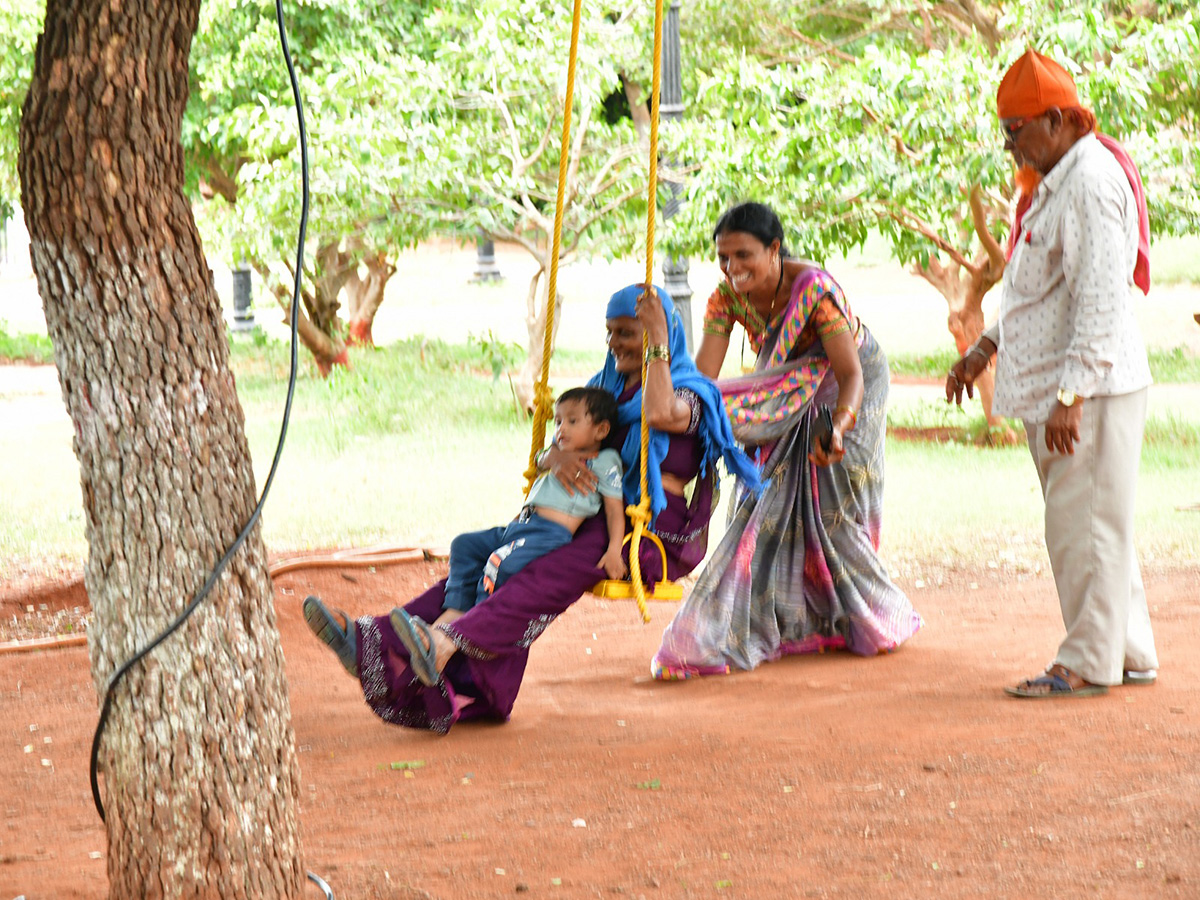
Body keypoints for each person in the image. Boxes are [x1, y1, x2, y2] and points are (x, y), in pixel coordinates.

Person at [302, 283, 758, 733]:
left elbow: (659, 414)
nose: (614, 344)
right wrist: (552, 457)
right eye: (610, 332)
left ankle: (443, 644)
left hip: (649, 532)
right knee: (491, 560)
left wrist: (657, 341)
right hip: (586, 515)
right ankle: (372, 642)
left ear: (660, 333)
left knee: (538, 573)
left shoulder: (693, 394)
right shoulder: (606, 389)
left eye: (627, 333)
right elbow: (567, 438)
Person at [946, 48, 1157, 699]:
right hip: (1067, 388)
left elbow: (1101, 294)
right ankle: (1125, 651)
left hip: (1089, 391)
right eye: (1006, 132)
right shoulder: (1058, 180)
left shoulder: (1091, 182)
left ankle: (1087, 661)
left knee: (1081, 526)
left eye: (1018, 130)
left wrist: (1071, 394)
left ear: (1060, 120)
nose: (1010, 147)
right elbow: (1038, 292)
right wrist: (984, 347)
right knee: (1097, 523)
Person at [651, 201, 923, 679]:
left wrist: (839, 426)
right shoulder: (726, 298)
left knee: (836, 510)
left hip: (848, 389)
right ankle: (774, 624)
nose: (732, 269)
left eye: (744, 256)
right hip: (784, 388)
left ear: (775, 249)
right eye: (723, 258)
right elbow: (704, 383)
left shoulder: (814, 293)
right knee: (762, 501)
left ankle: (868, 618)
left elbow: (851, 372)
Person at [388, 386, 628, 686]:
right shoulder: (557, 455)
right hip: (521, 526)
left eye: (572, 421)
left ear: (601, 429)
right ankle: (450, 614)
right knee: (464, 545)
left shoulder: (604, 461)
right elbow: (542, 457)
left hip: (549, 534)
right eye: (557, 422)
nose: (561, 428)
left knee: (498, 563)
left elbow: (615, 510)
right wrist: (550, 456)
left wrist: (615, 550)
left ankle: (460, 635)